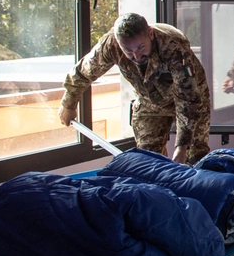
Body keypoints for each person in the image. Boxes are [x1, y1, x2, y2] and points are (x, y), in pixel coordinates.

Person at [59, 12, 211, 163]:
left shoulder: (173, 47)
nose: (137, 56)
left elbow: (188, 99)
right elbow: (84, 72)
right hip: (149, 102)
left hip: (191, 99)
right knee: (148, 159)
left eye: (141, 47)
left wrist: (181, 147)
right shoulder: (110, 45)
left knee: (195, 157)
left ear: (150, 34)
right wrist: (69, 103)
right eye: (129, 51)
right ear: (119, 43)